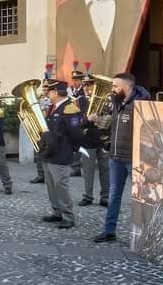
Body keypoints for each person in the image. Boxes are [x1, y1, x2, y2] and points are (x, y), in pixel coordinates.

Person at [92, 73, 150, 243]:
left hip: (135, 159)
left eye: (115, 86)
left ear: (125, 87)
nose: (112, 89)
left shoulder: (142, 105)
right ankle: (109, 231)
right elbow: (111, 125)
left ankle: (143, 236)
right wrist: (98, 120)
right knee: (113, 195)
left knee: (140, 198)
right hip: (116, 157)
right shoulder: (117, 102)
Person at [39, 79, 84, 229]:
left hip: (61, 154)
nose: (47, 94)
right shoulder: (53, 107)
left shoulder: (69, 108)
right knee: (51, 184)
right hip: (49, 153)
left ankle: (68, 216)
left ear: (56, 93)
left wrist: (71, 148)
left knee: (60, 185)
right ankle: (57, 212)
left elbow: (76, 134)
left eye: (49, 91)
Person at [77, 71, 110, 207]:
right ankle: (88, 196)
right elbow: (74, 121)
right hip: (86, 139)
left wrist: (106, 120)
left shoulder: (107, 101)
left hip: (103, 139)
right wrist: (87, 119)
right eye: (85, 84)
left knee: (105, 169)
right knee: (88, 170)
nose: (87, 87)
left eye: (90, 84)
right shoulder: (79, 101)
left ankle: (105, 197)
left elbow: (112, 118)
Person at [31, 65, 54, 185]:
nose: (44, 90)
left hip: (49, 128)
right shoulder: (38, 99)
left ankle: (48, 175)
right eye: (43, 88)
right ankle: (40, 175)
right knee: (39, 151)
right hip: (39, 129)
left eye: (47, 88)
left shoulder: (53, 101)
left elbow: (47, 115)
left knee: (48, 151)